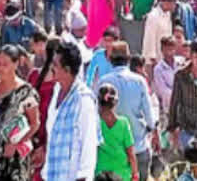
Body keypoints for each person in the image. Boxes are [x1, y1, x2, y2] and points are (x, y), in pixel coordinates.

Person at [97, 42, 156, 177]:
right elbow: (149, 114)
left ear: (110, 59)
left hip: (112, 153)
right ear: (129, 59)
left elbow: (97, 113)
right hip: (138, 146)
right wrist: (154, 131)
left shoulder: (103, 82)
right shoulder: (139, 81)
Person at [44, 41, 99, 181]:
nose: (51, 68)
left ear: (67, 70)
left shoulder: (83, 100)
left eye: (55, 65)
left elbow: (89, 144)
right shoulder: (57, 92)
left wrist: (83, 177)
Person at [0, 45, 40, 181]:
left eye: (5, 64)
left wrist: (17, 144)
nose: (0, 68)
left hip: (15, 159)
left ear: (16, 63)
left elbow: (35, 123)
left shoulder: (26, 92)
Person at [168, 40, 197, 154]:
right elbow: (174, 103)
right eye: (196, 56)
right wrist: (173, 128)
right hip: (188, 130)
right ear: (190, 56)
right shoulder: (181, 75)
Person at [94, 84, 139, 181]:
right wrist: (135, 173)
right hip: (122, 173)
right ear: (116, 102)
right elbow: (130, 152)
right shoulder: (123, 122)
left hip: (101, 173)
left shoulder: (94, 122)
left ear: (98, 101)